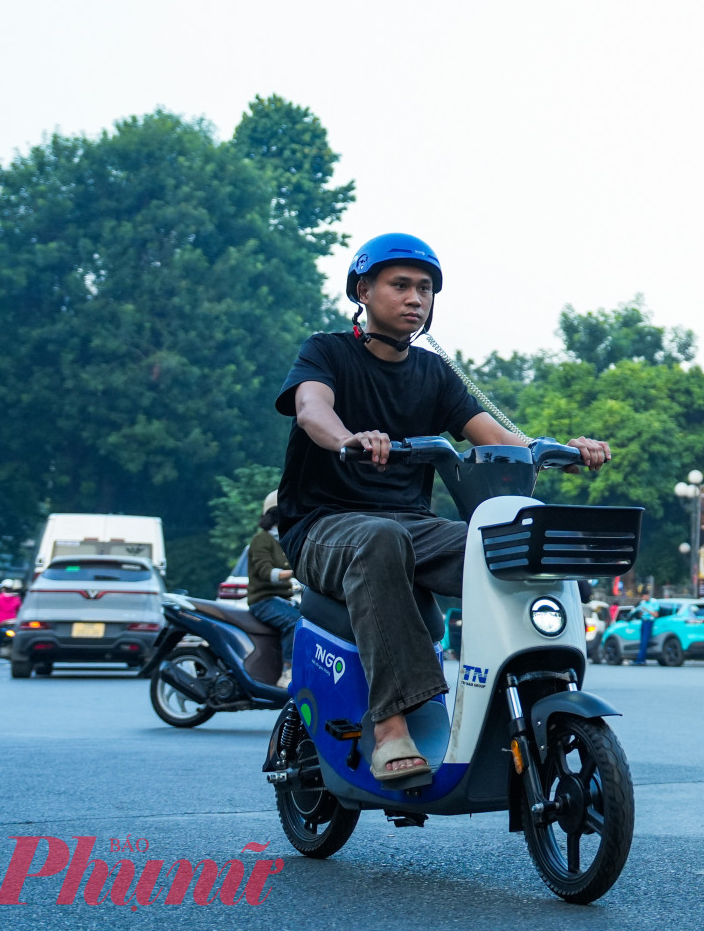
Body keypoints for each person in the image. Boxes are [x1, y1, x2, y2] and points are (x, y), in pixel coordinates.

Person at [274, 233, 610, 786]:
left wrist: (569, 451)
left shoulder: (435, 374)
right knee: (381, 538)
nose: (415, 298)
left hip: (413, 529)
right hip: (325, 526)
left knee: (504, 543)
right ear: (364, 290)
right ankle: (390, 726)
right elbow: (312, 407)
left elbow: (500, 441)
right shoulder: (326, 350)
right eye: (400, 285)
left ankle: (527, 696)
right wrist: (345, 439)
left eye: (425, 288)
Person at [246, 491, 301, 682]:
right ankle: (288, 672)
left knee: (312, 620)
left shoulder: (283, 540)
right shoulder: (262, 540)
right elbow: (266, 572)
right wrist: (296, 571)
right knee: (294, 622)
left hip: (282, 600)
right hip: (263, 601)